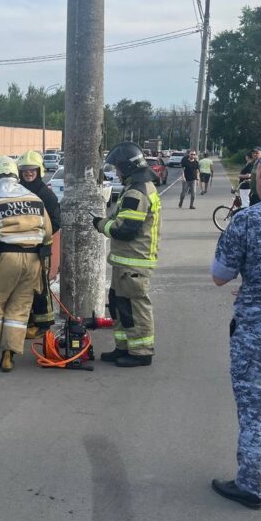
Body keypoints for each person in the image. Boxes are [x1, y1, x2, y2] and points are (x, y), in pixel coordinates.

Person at [210, 143, 261, 508]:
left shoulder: (248, 220)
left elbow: (220, 275)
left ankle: (250, 484)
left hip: (257, 329)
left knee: (254, 411)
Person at [0, 156, 52, 372]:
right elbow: (47, 233)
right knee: (20, 307)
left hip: (5, 259)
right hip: (34, 259)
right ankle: (9, 354)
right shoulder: (35, 198)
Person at [92, 142, 161, 367]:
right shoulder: (140, 187)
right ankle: (124, 347)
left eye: (119, 169)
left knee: (134, 307)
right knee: (120, 305)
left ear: (127, 168)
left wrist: (101, 224)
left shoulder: (136, 192)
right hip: (127, 262)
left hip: (135, 261)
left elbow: (126, 230)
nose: (118, 173)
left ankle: (141, 352)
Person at [17, 150, 61, 337]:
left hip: (40, 248)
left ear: (39, 171)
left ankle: (43, 325)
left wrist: (38, 236)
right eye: (25, 170)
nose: (28, 173)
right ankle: (28, 320)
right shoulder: (18, 191)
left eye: (32, 170)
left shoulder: (46, 195)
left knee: (40, 286)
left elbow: (56, 222)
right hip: (20, 248)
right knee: (23, 286)